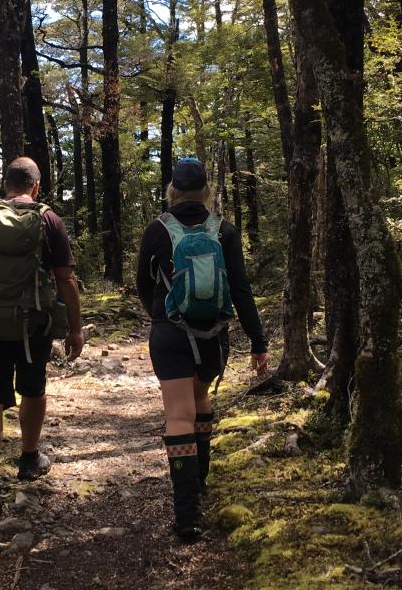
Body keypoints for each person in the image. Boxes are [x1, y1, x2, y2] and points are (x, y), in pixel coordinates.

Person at [136, 158, 268, 541]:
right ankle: (201, 481)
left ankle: (187, 515)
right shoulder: (224, 230)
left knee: (178, 415)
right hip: (213, 335)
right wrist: (258, 343)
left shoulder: (157, 230)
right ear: (206, 190)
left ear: (172, 189)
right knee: (201, 402)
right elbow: (241, 290)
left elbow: (143, 284)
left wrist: (159, 314)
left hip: (170, 334)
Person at [0, 157, 85, 518]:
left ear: (5, 185)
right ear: (36, 185)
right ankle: (29, 458)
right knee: (33, 388)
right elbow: (66, 279)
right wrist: (75, 328)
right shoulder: (49, 219)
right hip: (34, 324)